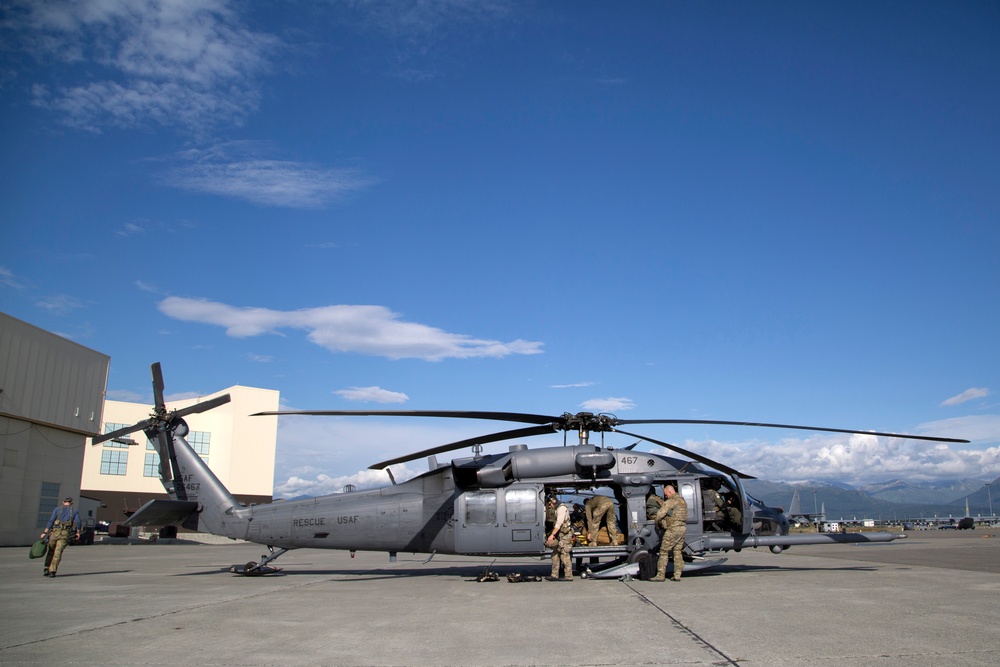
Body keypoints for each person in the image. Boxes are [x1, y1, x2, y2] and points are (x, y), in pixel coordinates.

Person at [651, 484, 687, 582]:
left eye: (666, 494)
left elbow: (660, 514)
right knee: (677, 551)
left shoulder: (671, 501)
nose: (666, 496)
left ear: (670, 492)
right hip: (682, 528)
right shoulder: (682, 501)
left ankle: (660, 575)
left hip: (673, 529)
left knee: (663, 551)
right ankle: (677, 575)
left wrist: (657, 523)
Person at [40, 497, 81, 578]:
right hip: (65, 534)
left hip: (54, 532)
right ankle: (53, 571)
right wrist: (78, 533)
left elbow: (51, 521)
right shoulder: (75, 511)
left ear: (63, 502)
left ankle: (46, 568)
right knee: (58, 552)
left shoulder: (57, 510)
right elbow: (78, 522)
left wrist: (45, 532)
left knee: (51, 550)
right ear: (71, 503)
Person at [545, 496, 573, 581]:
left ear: (553, 502)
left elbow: (559, 523)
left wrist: (552, 535)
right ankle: (554, 574)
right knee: (555, 554)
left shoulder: (561, 509)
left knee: (565, 554)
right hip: (559, 535)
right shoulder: (558, 509)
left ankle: (568, 576)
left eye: (550, 505)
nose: (550, 507)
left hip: (565, 535)